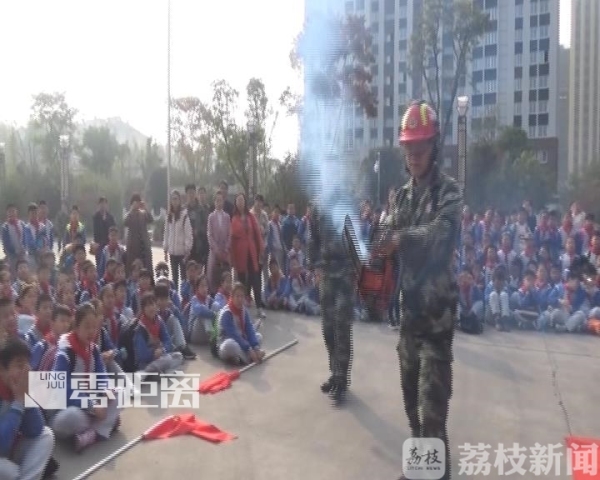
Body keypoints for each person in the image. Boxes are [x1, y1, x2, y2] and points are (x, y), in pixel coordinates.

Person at [384, 101, 462, 480]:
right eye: (409, 147)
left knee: (432, 407)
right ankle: (426, 467)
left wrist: (400, 239)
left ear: (435, 146)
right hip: (409, 318)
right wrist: (372, 247)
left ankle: (431, 472)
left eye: (421, 146)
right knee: (412, 406)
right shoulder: (399, 197)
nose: (414, 155)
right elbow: (386, 238)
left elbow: (441, 235)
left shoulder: (449, 192)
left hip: (436, 321)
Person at [308, 188, 355, 406]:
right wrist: (315, 266)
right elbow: (313, 238)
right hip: (326, 273)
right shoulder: (317, 204)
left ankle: (342, 380)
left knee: (342, 327)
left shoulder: (347, 200)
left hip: (345, 272)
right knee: (328, 328)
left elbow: (357, 238)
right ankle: (334, 373)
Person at [0, 338, 56, 480]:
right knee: (10, 472)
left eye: (27, 364)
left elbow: (35, 429)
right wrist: (19, 403)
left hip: (9, 452)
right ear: (2, 370)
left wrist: (26, 397)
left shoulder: (15, 390)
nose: (27, 370)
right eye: (20, 365)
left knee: (46, 435)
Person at [163, 190, 193, 290]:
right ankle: (175, 295)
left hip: (182, 252)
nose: (174, 201)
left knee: (183, 278)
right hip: (172, 252)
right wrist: (165, 249)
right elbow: (166, 233)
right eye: (172, 199)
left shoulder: (184, 216)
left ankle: (184, 296)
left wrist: (187, 249)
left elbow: (188, 234)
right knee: (174, 278)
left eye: (176, 199)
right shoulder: (169, 216)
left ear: (180, 200)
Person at [124, 194, 153, 275]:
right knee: (132, 269)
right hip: (133, 248)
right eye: (135, 202)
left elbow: (151, 220)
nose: (137, 204)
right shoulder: (129, 214)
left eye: (138, 202)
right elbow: (125, 222)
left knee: (146, 269)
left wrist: (145, 208)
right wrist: (131, 210)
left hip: (144, 248)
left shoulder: (143, 214)